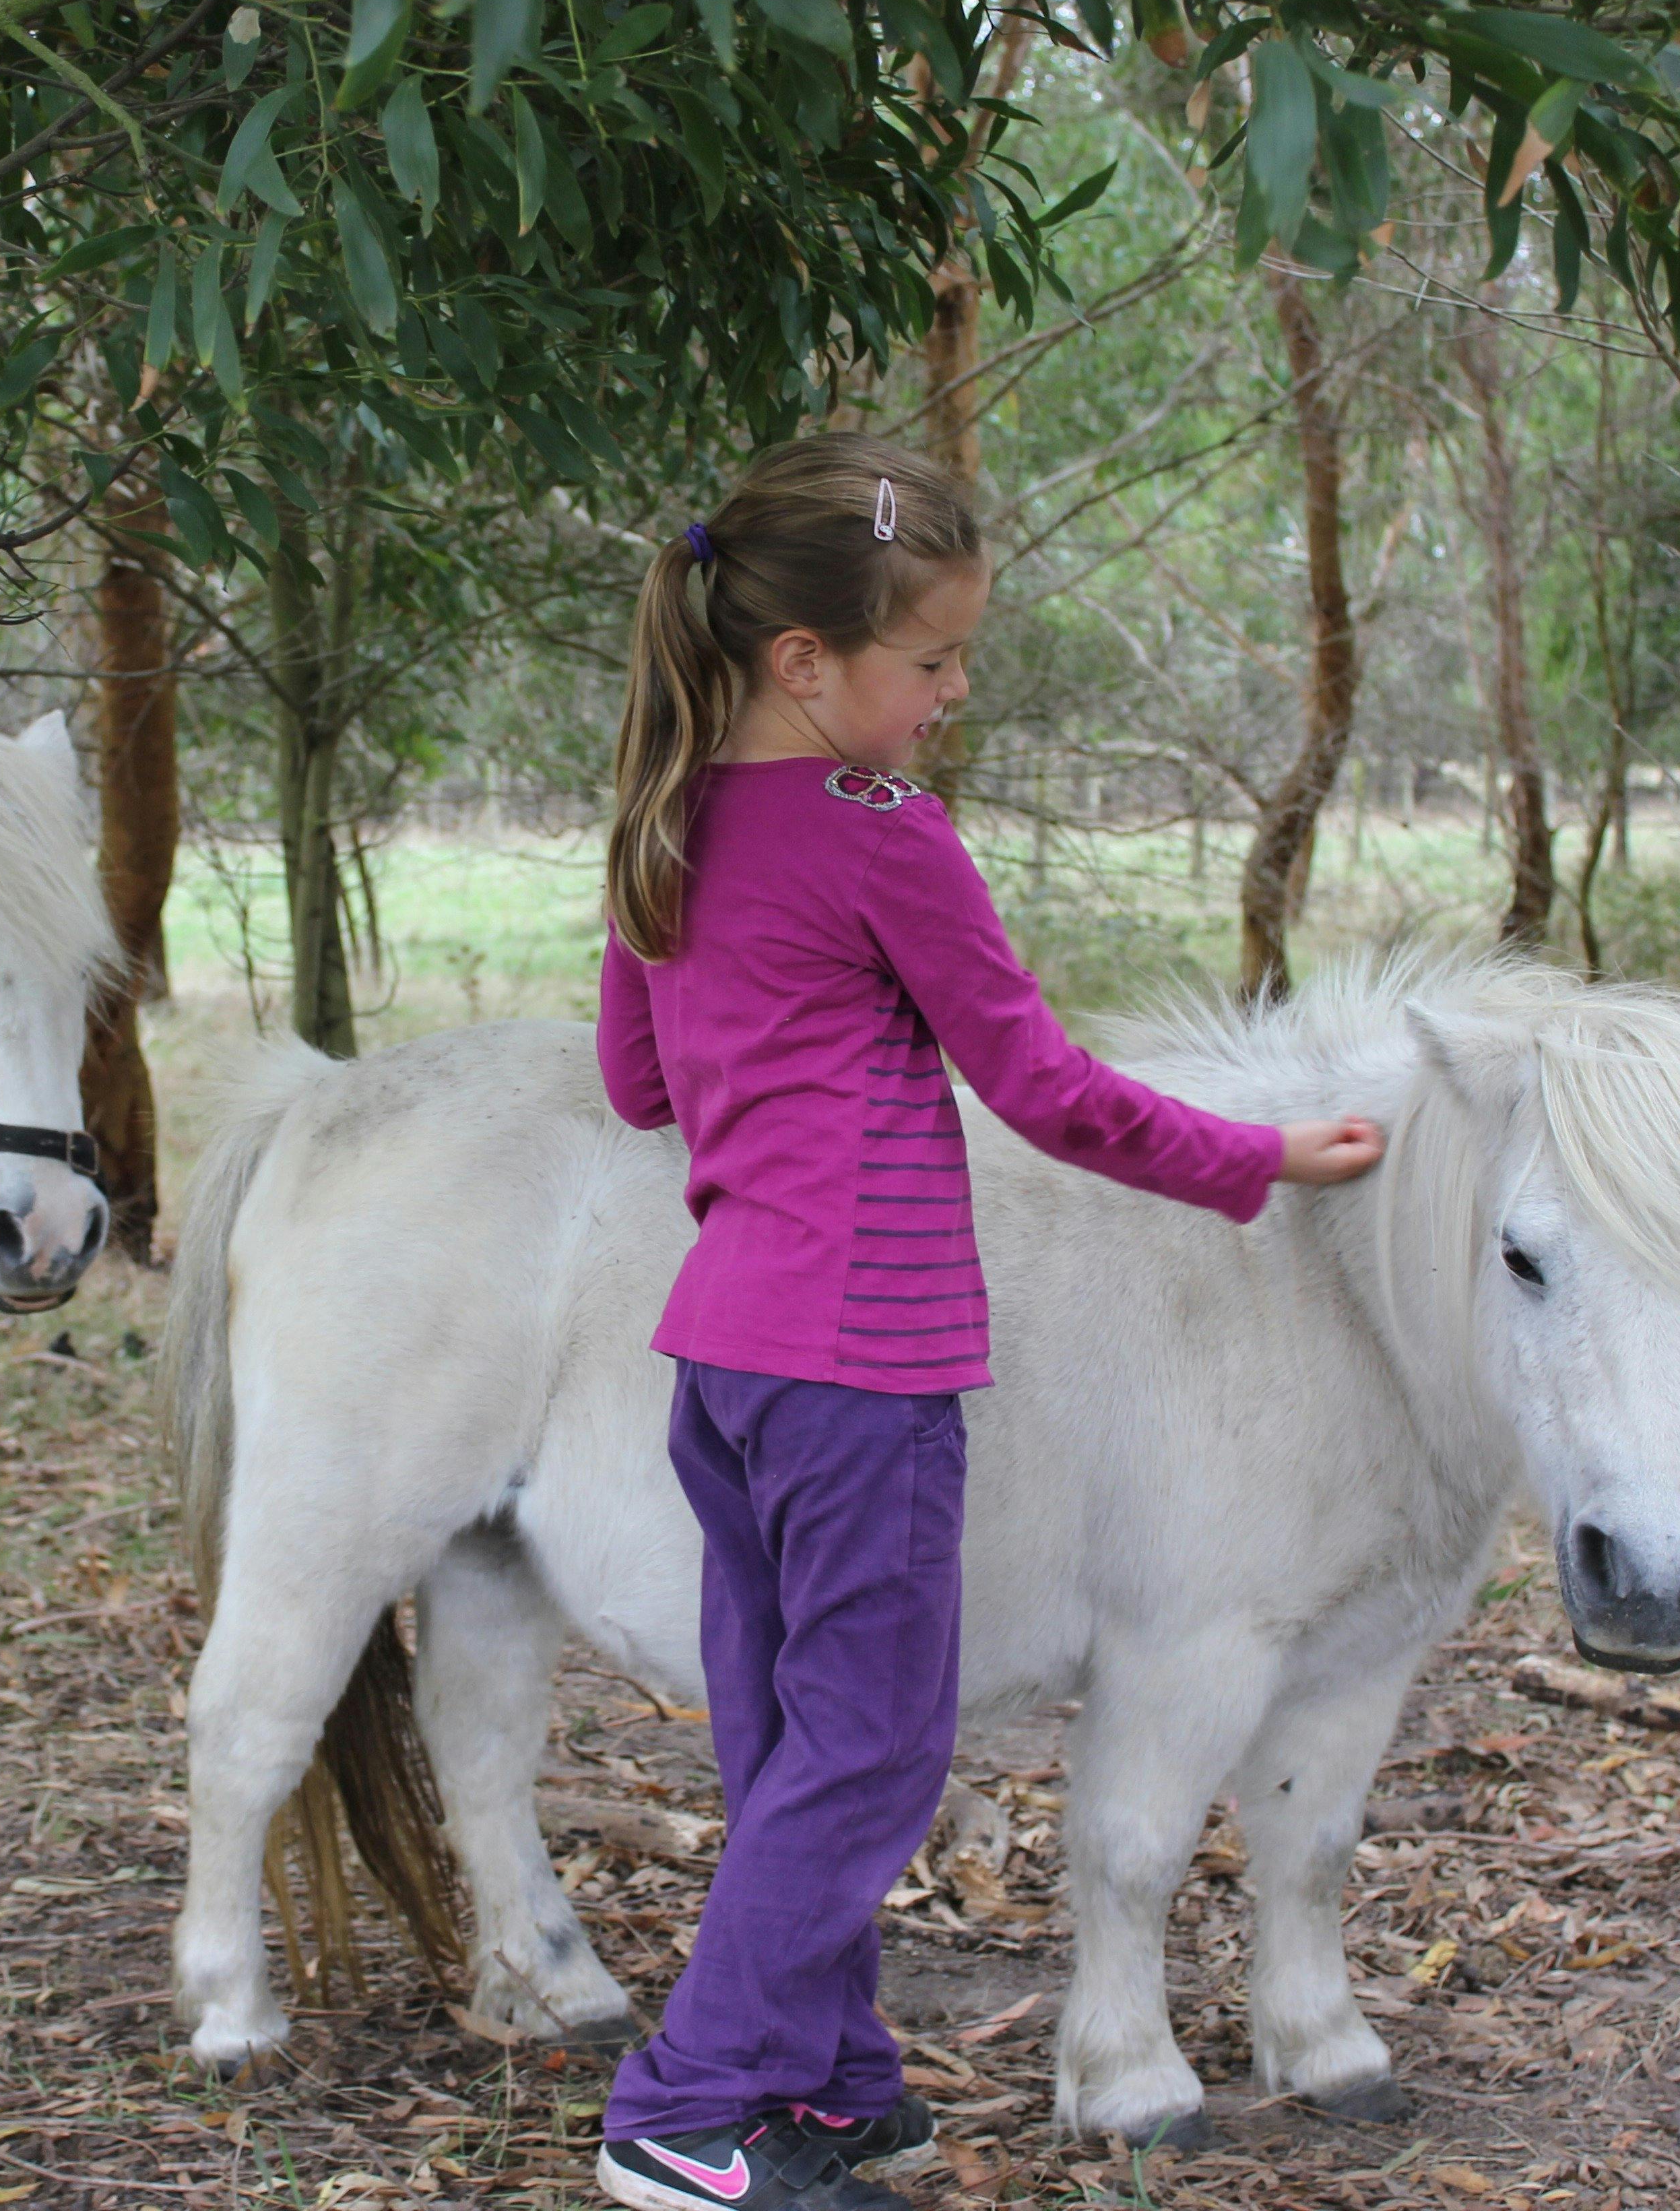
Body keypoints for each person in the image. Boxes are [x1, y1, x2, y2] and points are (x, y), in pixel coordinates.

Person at [589, 435, 1384, 2211]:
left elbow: (640, 1084)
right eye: (932, 661)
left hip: (723, 1356)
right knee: (872, 1748)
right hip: (860, 1358)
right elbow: (1044, 1089)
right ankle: (689, 2106)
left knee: (795, 1740)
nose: (951, 696)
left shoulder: (667, 816)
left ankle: (828, 2078)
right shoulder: (884, 833)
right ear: (808, 660)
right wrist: (1263, 1155)